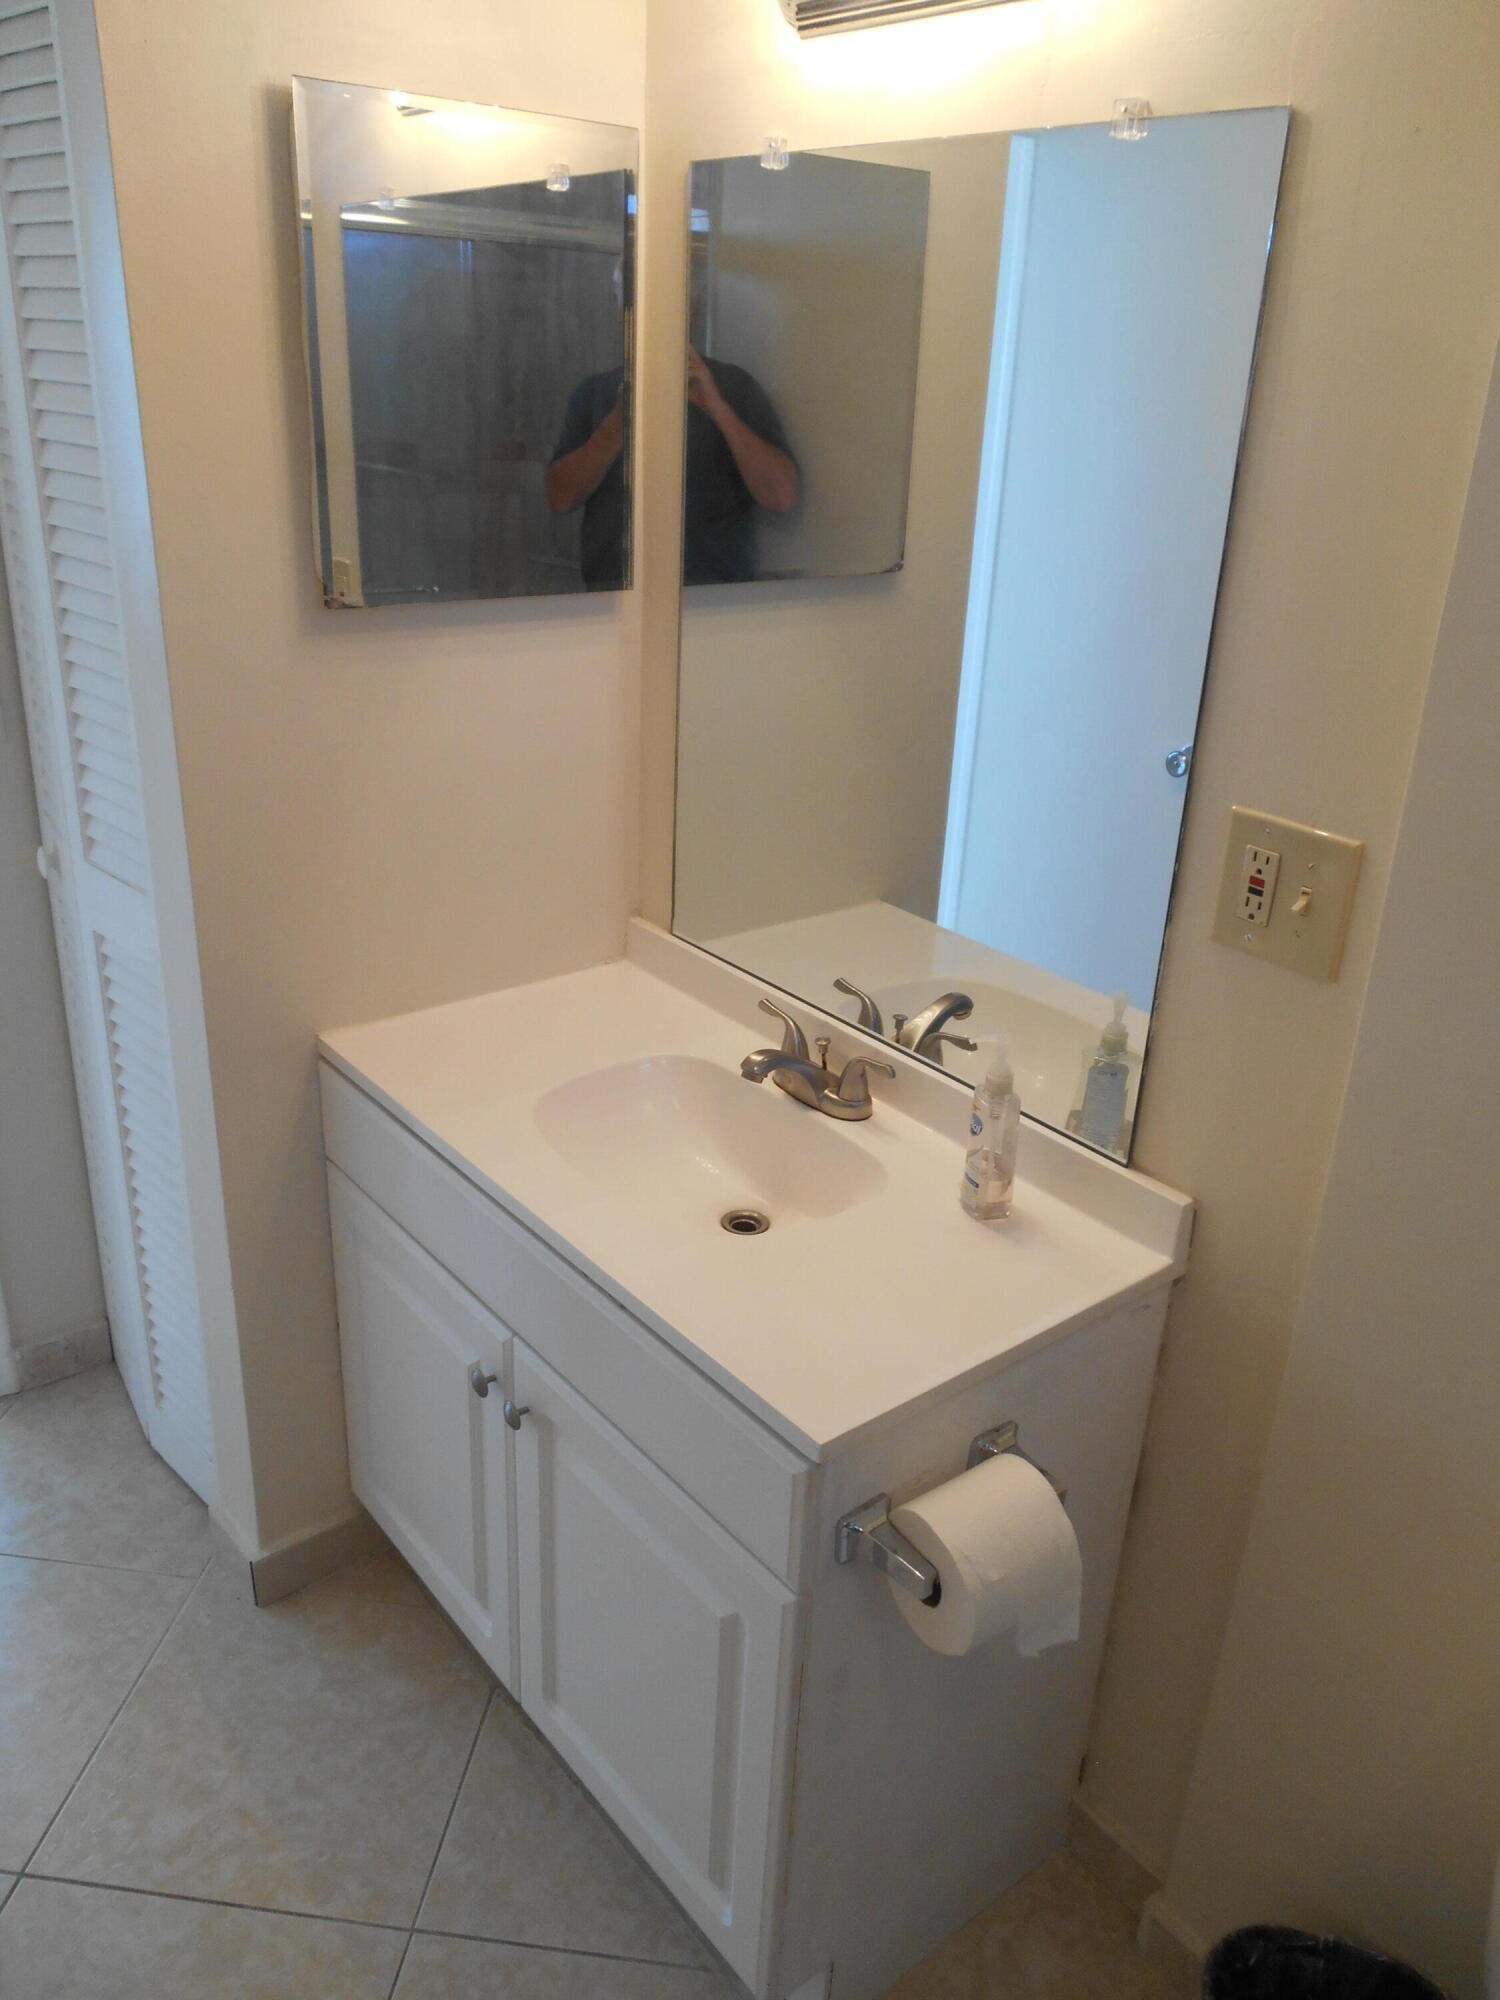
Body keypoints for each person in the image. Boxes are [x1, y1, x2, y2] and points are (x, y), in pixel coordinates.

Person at [548, 346, 799, 588]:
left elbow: (781, 496)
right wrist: (618, 423)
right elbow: (561, 498)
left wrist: (717, 407)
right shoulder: (595, 393)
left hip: (719, 597)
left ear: (694, 311)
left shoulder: (734, 387)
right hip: (614, 594)